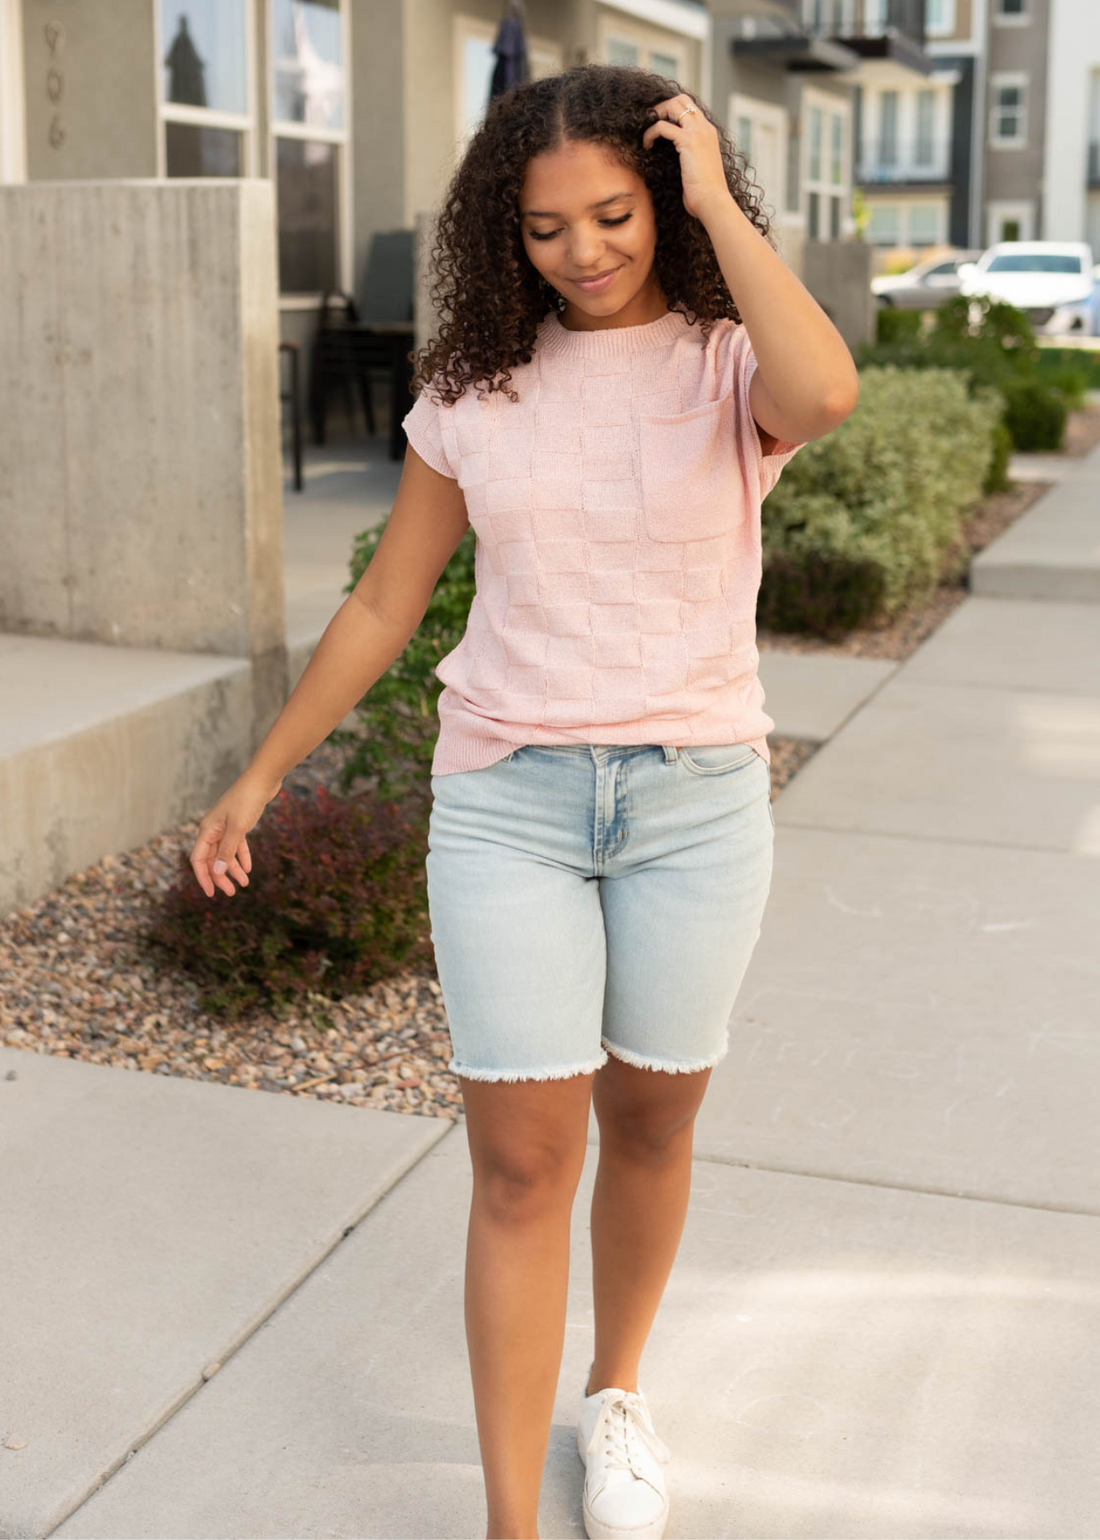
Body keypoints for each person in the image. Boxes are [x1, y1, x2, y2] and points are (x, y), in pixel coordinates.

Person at [189, 64, 858, 1540]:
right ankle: (510, 1524)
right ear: (506, 231)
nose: (583, 251)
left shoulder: (727, 363)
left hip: (694, 804)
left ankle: (617, 1394)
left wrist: (717, 205)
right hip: (510, 802)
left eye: (614, 214)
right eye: (546, 228)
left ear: (664, 202)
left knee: (655, 1123)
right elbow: (385, 603)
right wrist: (261, 772)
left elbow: (827, 390)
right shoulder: (474, 393)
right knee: (520, 1164)